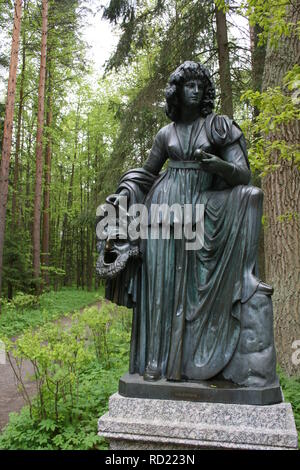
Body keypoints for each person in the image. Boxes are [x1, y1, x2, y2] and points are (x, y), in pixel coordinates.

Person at [97, 61, 277, 387]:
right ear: (177, 91)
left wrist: (219, 165)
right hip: (164, 211)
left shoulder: (218, 127)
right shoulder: (165, 134)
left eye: (199, 84)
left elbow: (243, 175)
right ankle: (157, 362)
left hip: (201, 212)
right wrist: (123, 196)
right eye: (188, 84)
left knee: (192, 284)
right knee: (161, 286)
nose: (194, 90)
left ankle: (197, 357)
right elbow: (148, 174)